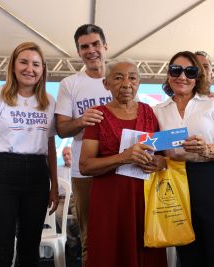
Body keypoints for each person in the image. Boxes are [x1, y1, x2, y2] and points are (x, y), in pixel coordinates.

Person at [153, 51, 214, 267]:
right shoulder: (157, 110)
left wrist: (206, 149)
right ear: (168, 74)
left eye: (190, 71)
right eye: (176, 70)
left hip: (212, 179)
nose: (182, 76)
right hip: (175, 181)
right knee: (188, 254)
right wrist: (157, 158)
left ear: (198, 76)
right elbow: (152, 148)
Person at [0, 42, 58, 267]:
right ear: (13, 65)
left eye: (36, 64)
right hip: (2, 172)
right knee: (1, 250)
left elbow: (50, 146)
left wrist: (55, 186)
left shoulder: (49, 101)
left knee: (30, 250)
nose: (29, 68)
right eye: (24, 62)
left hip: (38, 175)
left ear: (42, 71)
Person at [79, 59, 167, 267]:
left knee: (147, 256)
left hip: (145, 201)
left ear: (139, 83)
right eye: (118, 78)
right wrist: (124, 157)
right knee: (110, 255)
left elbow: (164, 158)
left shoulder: (150, 113)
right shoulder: (98, 116)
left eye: (132, 78)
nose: (126, 83)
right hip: (110, 203)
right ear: (106, 83)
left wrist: (158, 162)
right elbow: (85, 166)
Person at [55, 24, 112, 266]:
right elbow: (61, 129)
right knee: (89, 239)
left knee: (121, 234)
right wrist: (82, 120)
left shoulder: (121, 77)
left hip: (121, 169)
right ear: (78, 52)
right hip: (84, 171)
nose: (91, 50)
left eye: (95, 44)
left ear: (105, 46)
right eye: (84, 46)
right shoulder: (70, 84)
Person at [55, 146, 80, 255]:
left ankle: (74, 235)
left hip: (75, 198)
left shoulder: (79, 167)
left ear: (73, 154)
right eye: (64, 155)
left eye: (68, 154)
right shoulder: (57, 169)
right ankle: (73, 243)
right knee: (57, 215)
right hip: (62, 200)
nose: (66, 156)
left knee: (79, 217)